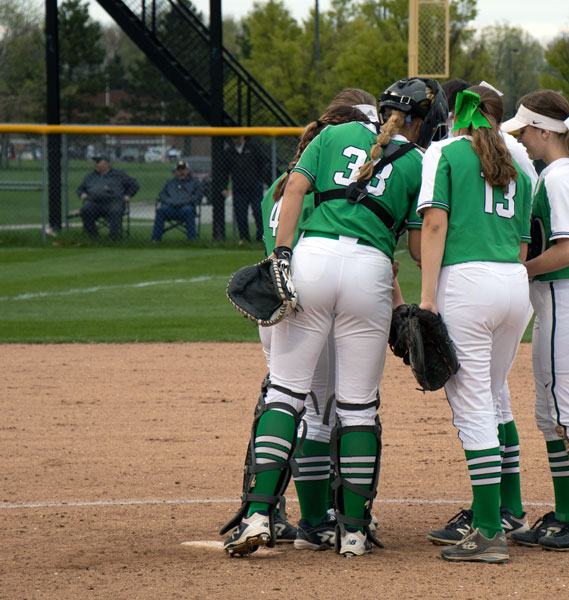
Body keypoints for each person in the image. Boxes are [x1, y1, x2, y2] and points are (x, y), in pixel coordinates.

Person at [223, 78, 447, 559]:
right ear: (421, 121)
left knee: (285, 393)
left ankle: (259, 515)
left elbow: (295, 189)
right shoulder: (417, 161)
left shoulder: (331, 134)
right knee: (358, 407)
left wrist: (282, 256)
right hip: (371, 273)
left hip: (314, 259)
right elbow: (414, 244)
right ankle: (353, 534)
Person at [415, 85, 534, 563]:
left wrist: (427, 298)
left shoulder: (446, 153)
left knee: (472, 406)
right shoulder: (517, 165)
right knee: (493, 393)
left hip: (466, 283)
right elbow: (524, 244)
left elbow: (435, 226)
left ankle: (487, 532)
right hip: (513, 286)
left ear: (458, 115)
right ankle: (507, 512)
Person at [499, 89, 569, 552]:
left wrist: (518, 271)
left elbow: (566, 250)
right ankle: (567, 514)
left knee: (568, 415)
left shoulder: (560, 178)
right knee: (550, 416)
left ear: (544, 131)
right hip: (557, 302)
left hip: (564, 299)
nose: (522, 140)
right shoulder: (559, 174)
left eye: (525, 131)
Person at [77, 155, 140, 240]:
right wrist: (82, 194)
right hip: (95, 203)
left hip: (114, 202)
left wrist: (128, 195)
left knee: (115, 211)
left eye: (98, 162)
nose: (95, 165)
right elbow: (80, 189)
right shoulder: (90, 176)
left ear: (106, 164)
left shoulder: (119, 174)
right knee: (85, 210)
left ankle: (113, 238)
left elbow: (135, 185)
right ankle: (93, 237)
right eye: (95, 163)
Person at [221, 135, 270, 244]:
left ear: (243, 137)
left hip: (254, 186)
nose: (235, 140)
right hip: (239, 187)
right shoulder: (229, 151)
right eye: (234, 138)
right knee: (240, 213)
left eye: (237, 138)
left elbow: (263, 163)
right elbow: (224, 171)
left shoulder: (252, 147)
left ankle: (261, 236)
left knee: (258, 211)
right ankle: (244, 237)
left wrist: (260, 179)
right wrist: (224, 187)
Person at [152, 160, 202, 241]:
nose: (181, 172)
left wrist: (184, 202)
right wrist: (170, 201)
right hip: (170, 208)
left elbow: (198, 196)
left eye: (183, 169)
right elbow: (162, 195)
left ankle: (192, 239)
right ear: (175, 171)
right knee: (161, 210)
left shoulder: (195, 183)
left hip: (186, 208)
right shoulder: (169, 182)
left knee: (188, 210)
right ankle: (156, 239)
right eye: (179, 170)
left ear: (188, 171)